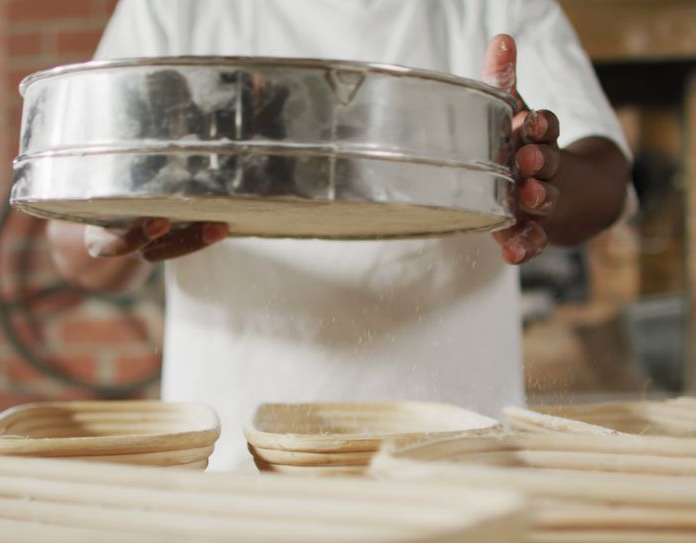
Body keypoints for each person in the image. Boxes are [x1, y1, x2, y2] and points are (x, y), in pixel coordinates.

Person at [47, 0, 631, 470]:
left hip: (456, 451)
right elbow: (76, 252)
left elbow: (604, 178)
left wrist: (537, 176)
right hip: (231, 458)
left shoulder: (493, 6)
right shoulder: (174, 9)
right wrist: (116, 217)